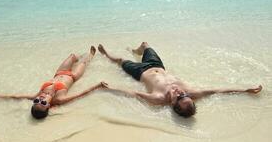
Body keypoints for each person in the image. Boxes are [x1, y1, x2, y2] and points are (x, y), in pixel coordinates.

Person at [98, 42, 262, 118]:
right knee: (145, 45)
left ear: (172, 104)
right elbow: (217, 91)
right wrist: (244, 90)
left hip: (140, 71)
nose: (181, 92)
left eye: (179, 97)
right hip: (157, 65)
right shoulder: (191, 93)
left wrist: (109, 88)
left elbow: (133, 94)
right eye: (185, 96)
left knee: (119, 60)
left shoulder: (159, 98)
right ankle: (135, 50)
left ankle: (106, 54)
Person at [0, 46, 106, 119]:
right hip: (73, 76)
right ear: (49, 106)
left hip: (60, 72)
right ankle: (91, 55)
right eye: (43, 103)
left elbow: (17, 97)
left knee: (72, 56)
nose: (41, 99)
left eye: (37, 101)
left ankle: (81, 55)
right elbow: (81, 94)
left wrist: (0, 96)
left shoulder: (37, 96)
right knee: (85, 62)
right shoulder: (59, 99)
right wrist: (98, 86)